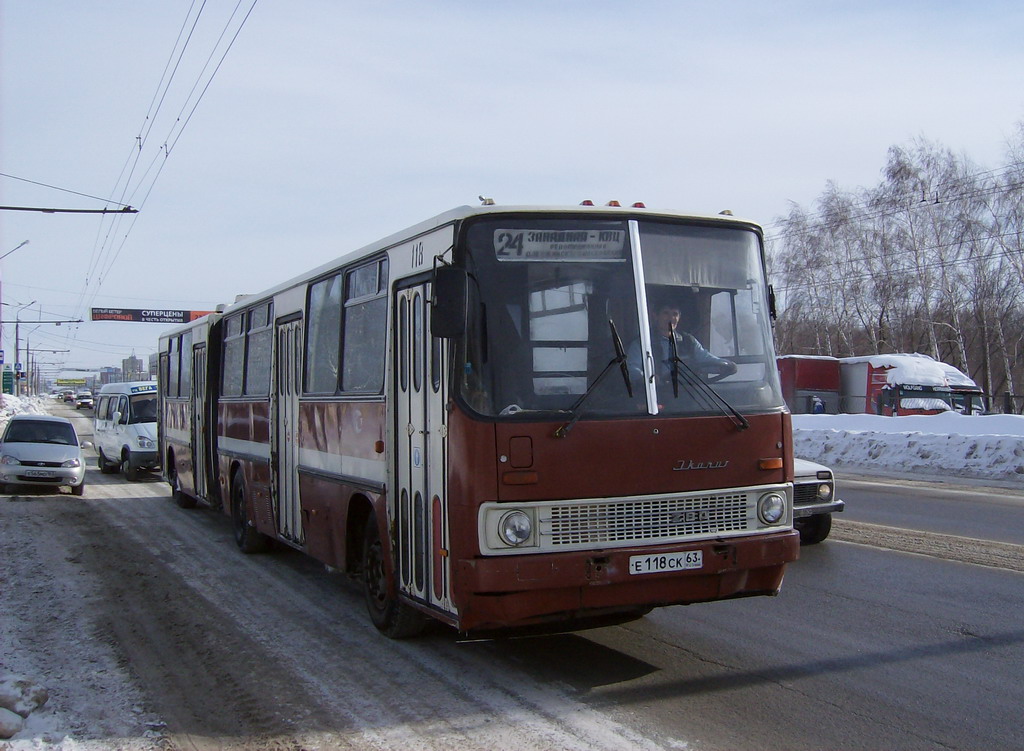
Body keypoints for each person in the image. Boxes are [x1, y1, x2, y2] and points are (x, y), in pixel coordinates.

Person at [627, 302, 737, 386]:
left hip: (687, 393)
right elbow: (632, 368)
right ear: (655, 316)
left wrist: (726, 365)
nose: (671, 318)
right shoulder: (642, 343)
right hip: (656, 397)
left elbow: (704, 359)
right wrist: (648, 378)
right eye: (666, 313)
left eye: (675, 314)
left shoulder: (688, 341)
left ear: (679, 318)